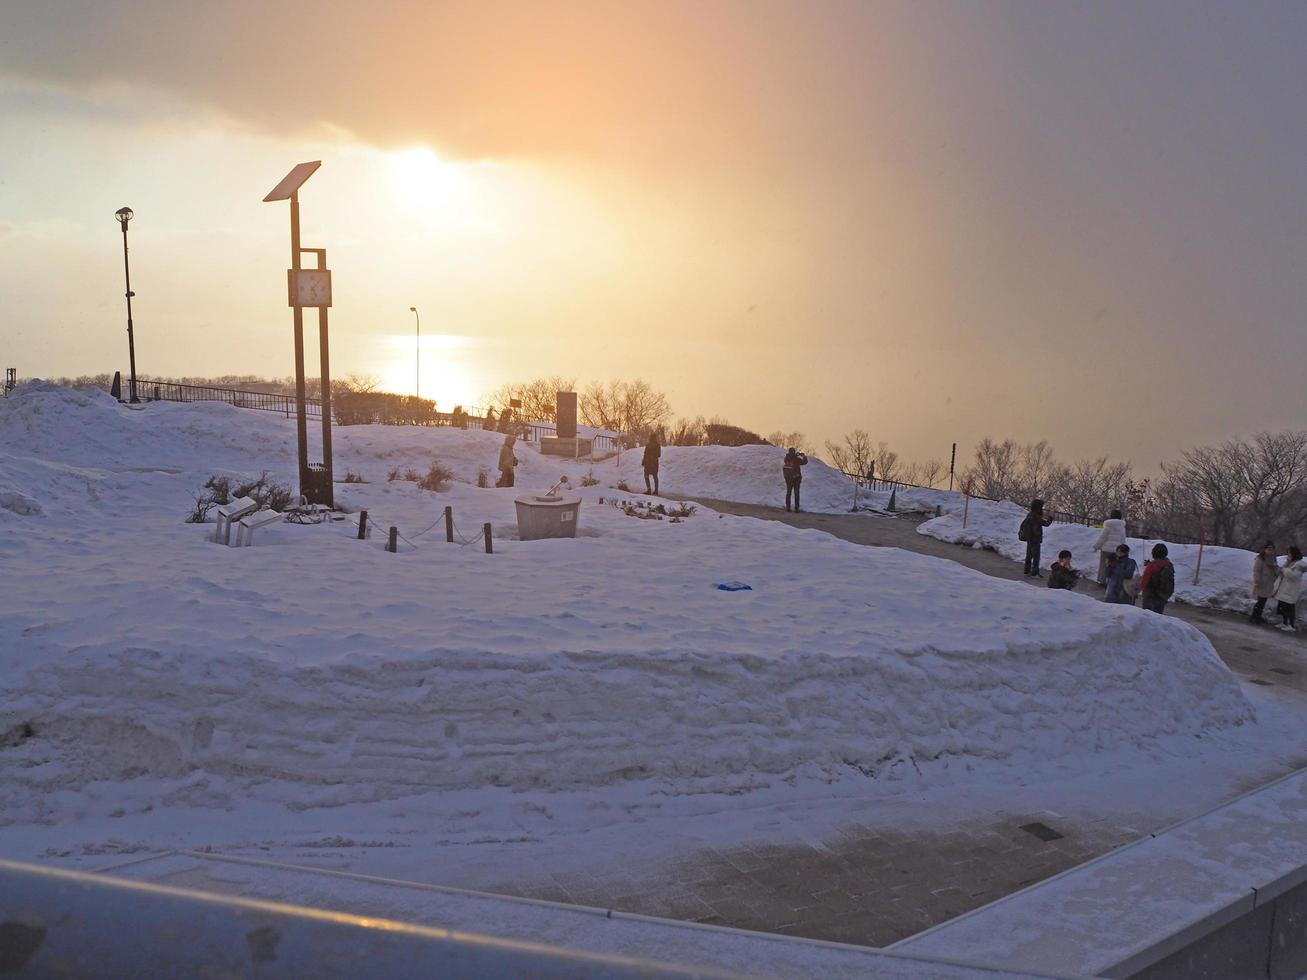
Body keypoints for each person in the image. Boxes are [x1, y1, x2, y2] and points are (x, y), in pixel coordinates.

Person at [1272, 545, 1306, 632]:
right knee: (1283, 606)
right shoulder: (1289, 562)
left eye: (1289, 553)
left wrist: (1284, 570)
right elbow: (1281, 571)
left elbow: (1294, 576)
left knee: (1289, 607)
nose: (1288, 555)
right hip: (1284, 588)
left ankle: (1291, 625)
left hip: (1291, 589)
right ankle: (1284, 622)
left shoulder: (1299, 565)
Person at [1018, 499, 1054, 577]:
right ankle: (1035, 573)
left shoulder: (1030, 514)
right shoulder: (1036, 516)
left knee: (1029, 555)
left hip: (1030, 538)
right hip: (1035, 539)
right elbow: (1046, 523)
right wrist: (1050, 517)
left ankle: (1027, 571)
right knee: (1036, 556)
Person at [1092, 509, 1128, 585]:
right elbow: (1123, 540)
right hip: (1116, 551)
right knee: (1114, 566)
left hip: (1106, 550)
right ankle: (1111, 581)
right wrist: (1122, 551)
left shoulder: (1108, 526)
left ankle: (1102, 581)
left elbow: (1102, 538)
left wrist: (1096, 546)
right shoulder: (1122, 528)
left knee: (1104, 566)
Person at [1138, 542, 1176, 614]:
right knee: (1157, 617)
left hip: (1150, 596)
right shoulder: (1169, 564)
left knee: (1148, 616)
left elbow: (1144, 582)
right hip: (1162, 596)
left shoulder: (1152, 565)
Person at [1251, 542, 1279, 624]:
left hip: (1269, 583)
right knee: (1260, 601)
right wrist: (1257, 581)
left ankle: (1257, 616)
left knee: (1263, 601)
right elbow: (1256, 571)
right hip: (1261, 582)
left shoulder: (1273, 559)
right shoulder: (1260, 558)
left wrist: (1276, 569)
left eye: (1272, 549)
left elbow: (1275, 570)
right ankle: (1254, 617)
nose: (1270, 551)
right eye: (1268, 549)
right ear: (1265, 549)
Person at [783, 447, 808, 512]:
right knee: (796, 493)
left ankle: (788, 507)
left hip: (788, 479)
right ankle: (796, 508)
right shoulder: (796, 459)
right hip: (796, 478)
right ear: (794, 452)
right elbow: (804, 462)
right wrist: (803, 456)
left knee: (788, 493)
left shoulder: (786, 459)